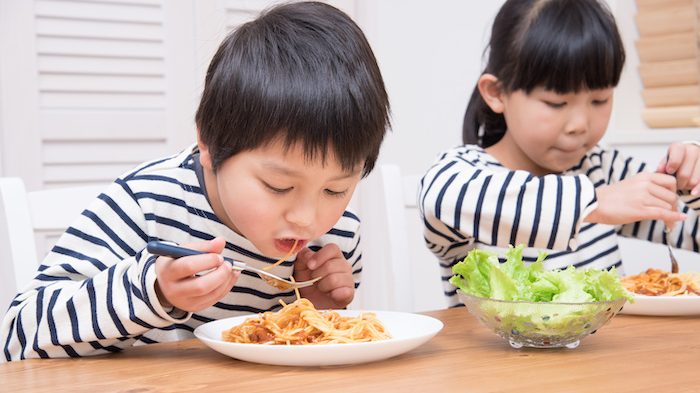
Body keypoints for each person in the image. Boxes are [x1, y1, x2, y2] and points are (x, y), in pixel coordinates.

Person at [2, 1, 390, 360]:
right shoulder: (148, 204)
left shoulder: (335, 236)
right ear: (209, 142)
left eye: (335, 189)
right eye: (278, 186)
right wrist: (153, 290)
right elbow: (18, 338)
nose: (308, 217)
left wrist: (320, 310)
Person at [418, 0, 700, 306]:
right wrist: (595, 203)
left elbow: (691, 231)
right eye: (556, 103)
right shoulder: (465, 173)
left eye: (599, 100)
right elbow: (440, 195)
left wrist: (692, 182)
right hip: (496, 356)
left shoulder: (599, 168)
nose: (580, 125)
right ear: (497, 93)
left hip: (605, 355)